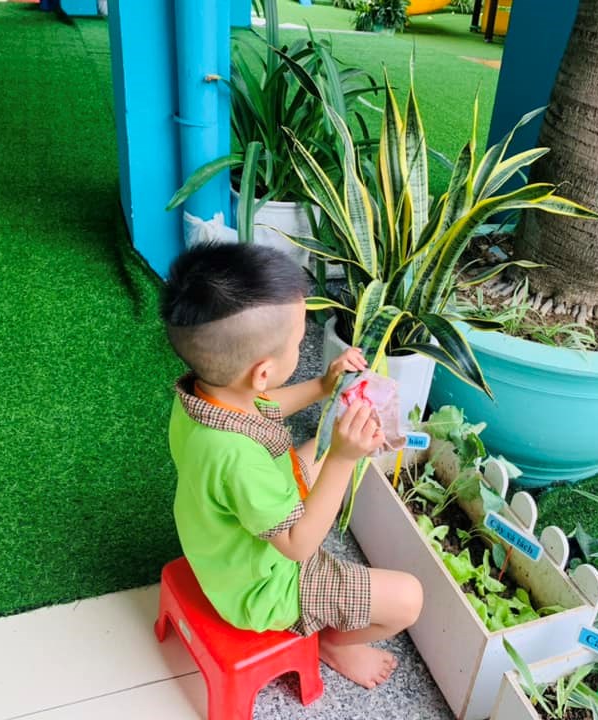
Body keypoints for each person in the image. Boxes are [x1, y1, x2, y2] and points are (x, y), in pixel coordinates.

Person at [160, 243, 423, 690]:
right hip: (262, 588)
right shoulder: (235, 458)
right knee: (409, 599)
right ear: (262, 372)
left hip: (226, 547)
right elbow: (298, 546)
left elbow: (263, 405)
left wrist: (323, 386)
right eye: (300, 343)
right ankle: (332, 644)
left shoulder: (202, 396)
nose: (303, 347)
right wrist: (343, 458)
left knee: (322, 448)